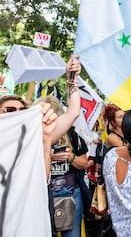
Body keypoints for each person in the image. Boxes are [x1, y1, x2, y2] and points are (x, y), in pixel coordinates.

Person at [36, 96, 89, 237]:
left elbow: (85, 164)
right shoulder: (32, 136)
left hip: (70, 194)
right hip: (41, 196)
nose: (47, 119)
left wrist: (70, 157)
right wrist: (47, 156)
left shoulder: (72, 135)